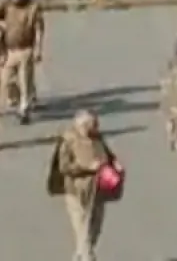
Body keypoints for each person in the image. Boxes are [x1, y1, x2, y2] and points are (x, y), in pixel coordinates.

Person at [45, 109, 120, 261]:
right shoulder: (68, 140)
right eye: (93, 125)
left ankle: (81, 254)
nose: (96, 128)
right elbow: (64, 167)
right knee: (82, 229)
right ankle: (87, 257)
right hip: (76, 191)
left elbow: (108, 154)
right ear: (82, 125)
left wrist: (114, 163)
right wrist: (87, 167)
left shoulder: (97, 137)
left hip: (98, 190)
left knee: (95, 228)